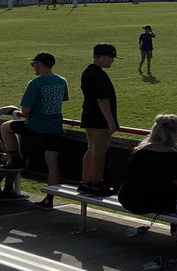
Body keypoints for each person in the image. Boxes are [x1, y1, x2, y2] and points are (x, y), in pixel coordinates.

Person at [117, 114, 177, 245]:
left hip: (128, 198)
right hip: (148, 202)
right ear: (173, 133)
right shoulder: (170, 155)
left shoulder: (139, 150)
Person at [1, 52, 69, 205]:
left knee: (6, 127)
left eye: (34, 64)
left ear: (40, 64)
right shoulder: (62, 81)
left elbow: (25, 110)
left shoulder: (35, 83)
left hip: (36, 126)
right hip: (55, 127)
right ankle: (49, 199)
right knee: (53, 163)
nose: (33, 67)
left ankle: (15, 159)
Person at [79, 43, 119, 196]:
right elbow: (102, 99)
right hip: (99, 120)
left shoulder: (88, 72)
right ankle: (96, 183)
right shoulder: (98, 74)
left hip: (89, 117)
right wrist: (110, 121)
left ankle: (86, 181)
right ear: (102, 57)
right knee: (99, 153)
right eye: (110, 58)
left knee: (91, 149)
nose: (112, 62)